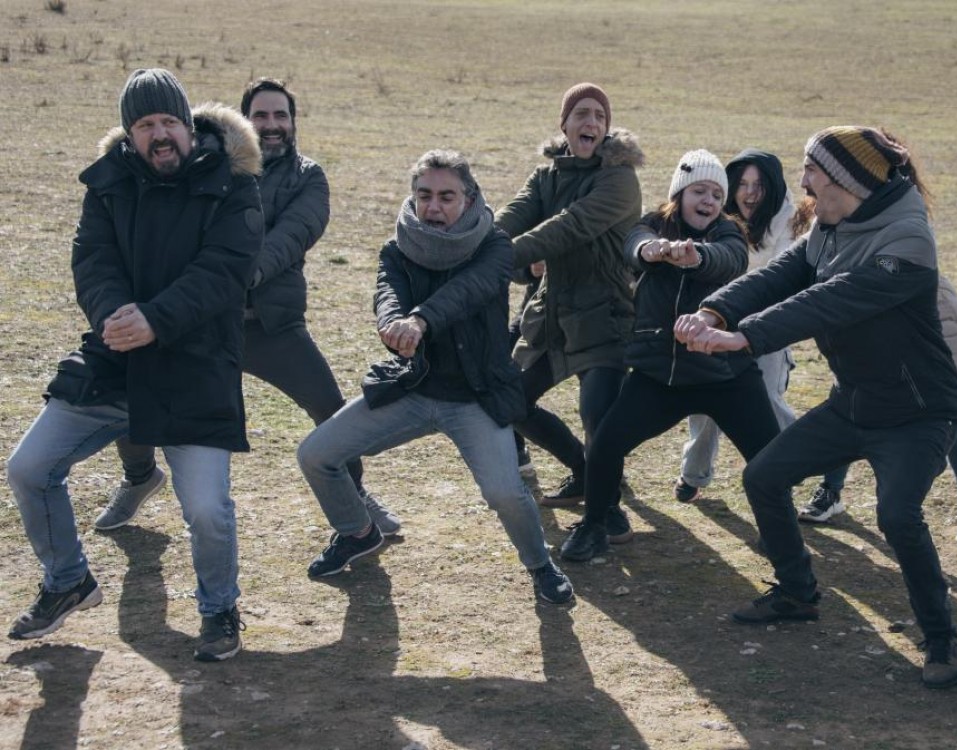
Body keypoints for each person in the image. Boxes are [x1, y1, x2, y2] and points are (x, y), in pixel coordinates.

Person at [675, 126, 957, 689]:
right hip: (854, 402)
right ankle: (797, 593)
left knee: (897, 516)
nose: (802, 182)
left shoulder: (908, 239)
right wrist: (715, 311)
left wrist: (745, 337)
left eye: (811, 170)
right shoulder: (831, 227)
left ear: (846, 179)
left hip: (918, 412)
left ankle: (940, 638)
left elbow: (832, 300)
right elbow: (782, 275)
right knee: (763, 477)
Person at [6, 69, 263, 661]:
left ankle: (219, 609)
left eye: (169, 121)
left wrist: (156, 319)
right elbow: (91, 260)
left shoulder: (233, 185)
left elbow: (225, 271)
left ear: (189, 126)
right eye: (145, 125)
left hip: (196, 367)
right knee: (29, 468)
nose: (160, 134)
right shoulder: (107, 183)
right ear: (129, 134)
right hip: (115, 360)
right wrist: (112, 316)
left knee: (207, 510)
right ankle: (67, 580)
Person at [93, 78, 400, 538]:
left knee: (328, 407)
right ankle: (139, 477)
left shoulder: (308, 178)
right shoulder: (210, 165)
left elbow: (291, 237)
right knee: (129, 389)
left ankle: (355, 494)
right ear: (243, 121)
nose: (271, 125)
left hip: (268, 325)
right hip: (194, 323)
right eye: (261, 115)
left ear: (293, 122)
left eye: (281, 116)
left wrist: (230, 278)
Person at [296, 150, 574, 604]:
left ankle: (541, 565)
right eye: (424, 195)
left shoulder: (495, 246)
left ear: (469, 199)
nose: (434, 207)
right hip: (413, 388)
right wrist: (391, 322)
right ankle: (357, 532)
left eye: (447, 197)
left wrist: (420, 320)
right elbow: (388, 293)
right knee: (315, 455)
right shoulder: (397, 248)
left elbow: (468, 291)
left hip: (477, 397)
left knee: (505, 493)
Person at [560, 150, 778, 561]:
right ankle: (594, 526)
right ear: (679, 193)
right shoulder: (653, 224)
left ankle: (778, 533)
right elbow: (633, 244)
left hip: (725, 374)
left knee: (770, 456)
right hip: (660, 376)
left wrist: (697, 257)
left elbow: (730, 261)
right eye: (699, 191)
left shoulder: (729, 232)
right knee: (605, 444)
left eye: (717, 194)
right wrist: (651, 251)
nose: (709, 201)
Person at [496, 83, 643, 518]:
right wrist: (478, 244)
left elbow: (570, 226)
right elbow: (512, 217)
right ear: (564, 124)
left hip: (604, 318)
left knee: (597, 417)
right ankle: (583, 469)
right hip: (552, 315)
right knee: (510, 401)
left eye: (599, 115)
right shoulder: (546, 177)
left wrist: (496, 258)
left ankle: (607, 515)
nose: (591, 122)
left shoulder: (620, 179)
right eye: (581, 113)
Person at [800, 276, 957, 547]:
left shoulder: (907, 253)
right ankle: (830, 490)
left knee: (955, 420)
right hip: (875, 323)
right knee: (848, 404)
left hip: (939, 324)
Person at [674, 150, 808, 503]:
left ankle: (797, 467)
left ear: (773, 188)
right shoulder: (720, 219)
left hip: (766, 326)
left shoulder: (789, 221)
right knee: (705, 400)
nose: (750, 193)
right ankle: (694, 473)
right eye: (743, 184)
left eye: (759, 185)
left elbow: (781, 280)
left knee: (767, 400)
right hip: (716, 318)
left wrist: (749, 328)